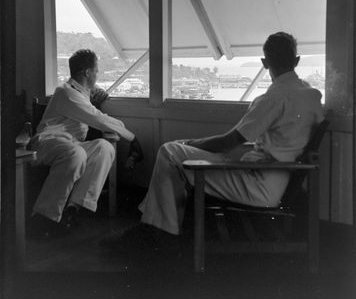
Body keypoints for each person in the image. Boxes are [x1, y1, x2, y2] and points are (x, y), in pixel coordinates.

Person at [101, 31, 324, 251]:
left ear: (265, 63)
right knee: (176, 155)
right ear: (296, 60)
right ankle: (157, 226)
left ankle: (159, 230)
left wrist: (190, 144)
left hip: (259, 185)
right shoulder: (311, 95)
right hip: (279, 179)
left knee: (170, 151)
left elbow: (229, 142)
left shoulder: (274, 98)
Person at [31, 49, 141, 238]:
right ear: (87, 72)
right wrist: (132, 137)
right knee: (76, 154)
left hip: (71, 144)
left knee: (104, 148)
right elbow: (97, 118)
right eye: (96, 71)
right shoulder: (65, 92)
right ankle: (44, 218)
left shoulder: (81, 94)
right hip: (47, 143)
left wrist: (92, 94)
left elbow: (93, 112)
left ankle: (73, 209)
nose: (97, 74)